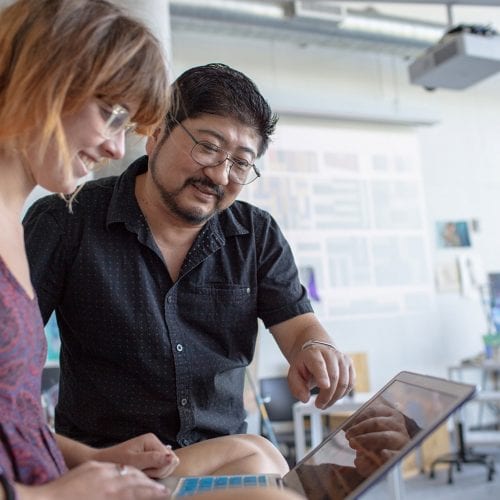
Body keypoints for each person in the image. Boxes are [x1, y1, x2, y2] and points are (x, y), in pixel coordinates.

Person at [0, 2, 295, 499]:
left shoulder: (11, 219)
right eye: (112, 115)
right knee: (272, 495)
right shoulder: (62, 219)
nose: (118, 148)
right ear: (46, 85)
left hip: (72, 468)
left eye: (240, 163)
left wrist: (95, 462)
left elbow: (16, 418)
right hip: (46, 489)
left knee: (259, 453)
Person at [23, 63, 356, 451]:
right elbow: (13, 352)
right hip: (105, 466)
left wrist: (318, 348)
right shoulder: (67, 221)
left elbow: (299, 328)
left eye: (241, 162)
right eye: (208, 147)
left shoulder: (256, 234)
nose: (219, 175)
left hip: (223, 461)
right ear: (157, 135)